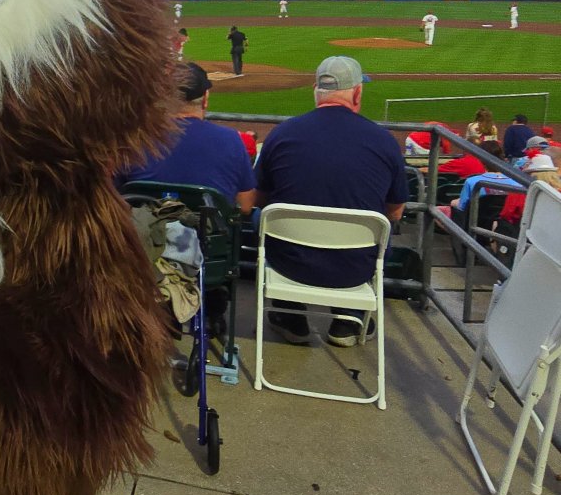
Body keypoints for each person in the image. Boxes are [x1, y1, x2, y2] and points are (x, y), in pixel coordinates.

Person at [254, 55, 408, 347]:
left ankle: (291, 315)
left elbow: (260, 199)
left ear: (316, 90)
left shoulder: (283, 133)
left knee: (262, 219)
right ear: (358, 92)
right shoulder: (384, 140)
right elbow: (395, 211)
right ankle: (348, 319)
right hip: (356, 267)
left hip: (290, 263)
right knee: (380, 230)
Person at [120, 63, 256, 215]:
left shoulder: (133, 139)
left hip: (143, 235)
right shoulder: (231, 140)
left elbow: (114, 196)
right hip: (207, 236)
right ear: (205, 99)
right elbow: (245, 206)